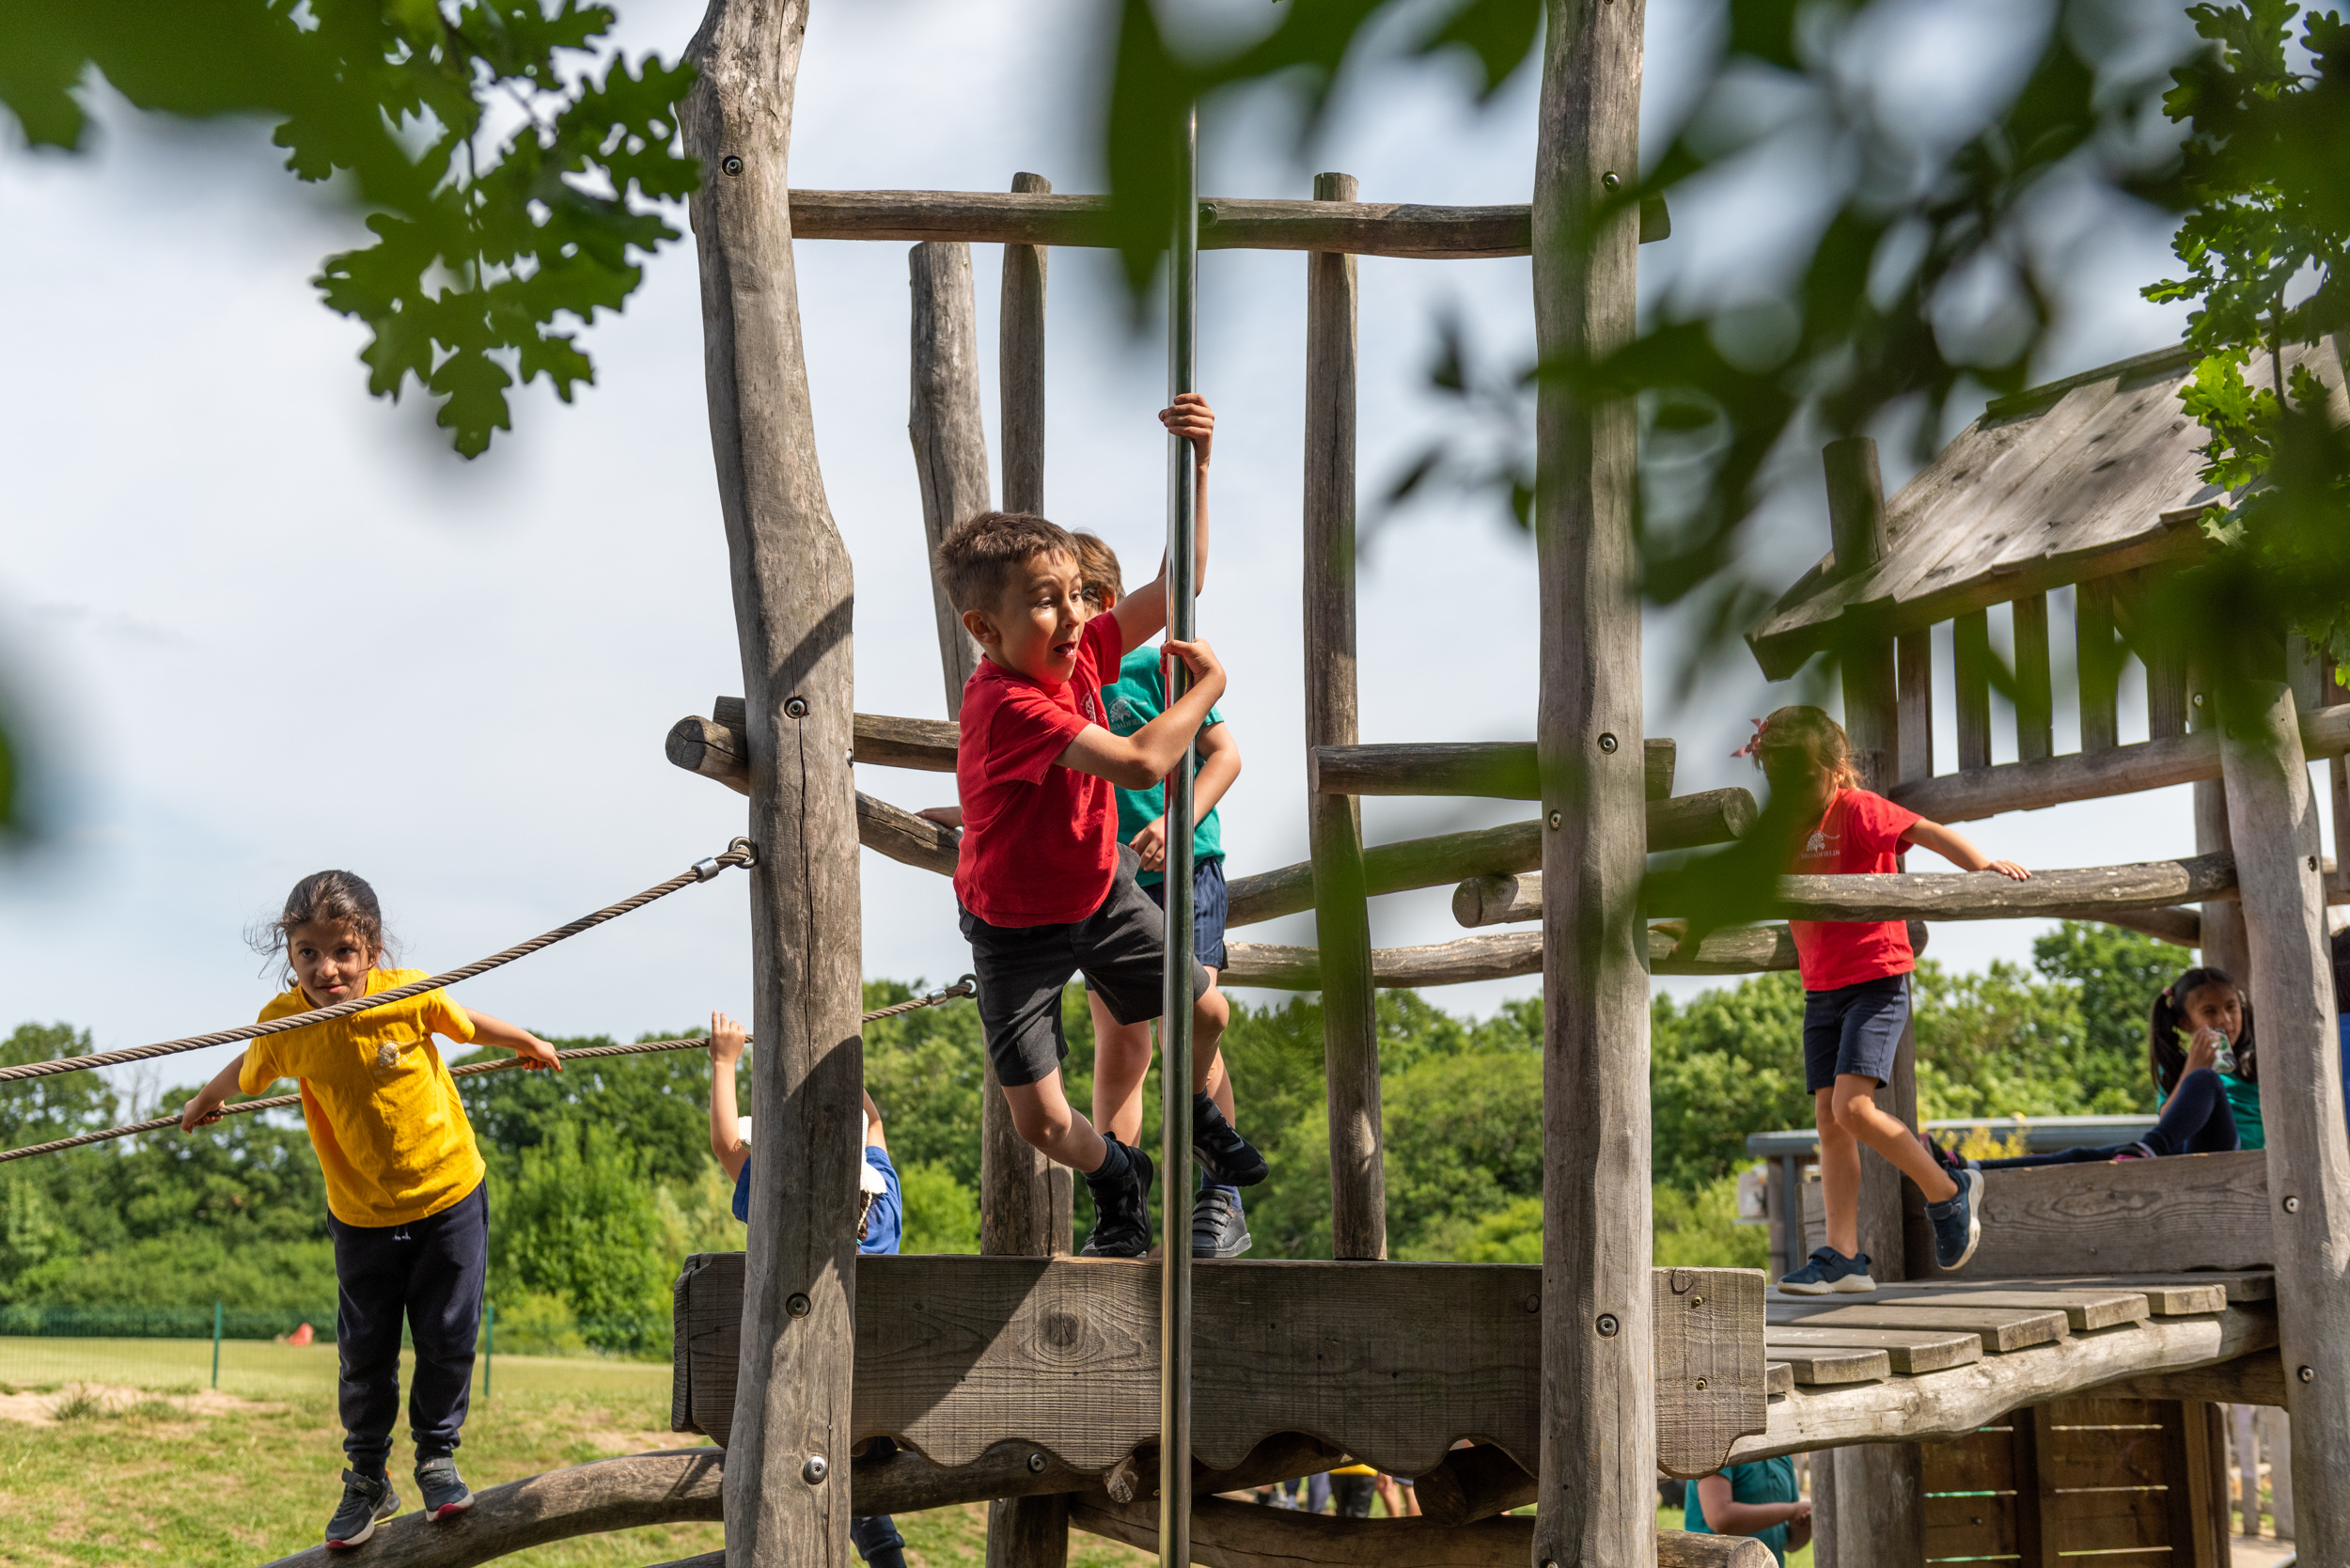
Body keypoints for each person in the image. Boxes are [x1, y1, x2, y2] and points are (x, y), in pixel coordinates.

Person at [930, 393, 1265, 1259]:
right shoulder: (1008, 703)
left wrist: (1195, 466)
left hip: (1099, 890)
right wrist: (1207, 689)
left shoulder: (1081, 650)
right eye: (1047, 601)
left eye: (1080, 595)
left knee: (1206, 1009)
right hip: (1012, 931)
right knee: (1041, 1123)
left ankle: (1195, 1117)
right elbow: (1143, 763)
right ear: (985, 627)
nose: (1076, 616)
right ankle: (1118, 1173)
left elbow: (1174, 587)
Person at [178, 870, 562, 1550]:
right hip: (360, 1215)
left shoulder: (409, 994)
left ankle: (437, 1458)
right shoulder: (287, 1026)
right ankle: (366, 1478)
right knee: (364, 1354)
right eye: (308, 952)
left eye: (343, 951)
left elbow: (468, 1026)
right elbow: (248, 1069)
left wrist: (526, 1042)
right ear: (290, 954)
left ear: (372, 949)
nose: (326, 968)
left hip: (448, 1195)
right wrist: (206, 1100)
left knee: (447, 1337)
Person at [1746, 707, 2030, 1294]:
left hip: (1874, 977)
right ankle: (1844, 1256)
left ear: (1834, 768)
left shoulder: (1855, 810)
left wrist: (1981, 867)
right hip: (1820, 988)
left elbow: (1924, 830)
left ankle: (1949, 1192)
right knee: (1830, 1125)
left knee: (1853, 1110)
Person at [1071, 531, 1253, 1259]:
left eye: (1076, 598)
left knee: (1191, 1023)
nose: (1060, 618)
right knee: (1120, 1045)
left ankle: (1221, 1195)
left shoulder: (1151, 668)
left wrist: (1180, 824)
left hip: (1182, 872)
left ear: (1108, 605)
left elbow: (1225, 755)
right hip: (1105, 885)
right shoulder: (1059, 693)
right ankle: (1122, 1206)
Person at [706, 1012, 908, 1568]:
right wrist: (853, 1093)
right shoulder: (884, 1204)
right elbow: (874, 1128)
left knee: (811, 1438)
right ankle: (887, 1555)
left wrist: (725, 1064)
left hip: (806, 1401)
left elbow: (727, 1144)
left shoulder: (788, 1209)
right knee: (850, 1443)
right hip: (884, 1413)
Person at [1926, 964, 2255, 1175]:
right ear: (2185, 1023)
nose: (2224, 1020)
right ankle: (1971, 1167)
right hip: (2186, 1156)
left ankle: (2143, 1151)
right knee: (2084, 1154)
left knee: (2205, 1082)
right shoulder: (2182, 1070)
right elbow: (2171, 1122)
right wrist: (2192, 1069)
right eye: (2209, 1011)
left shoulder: (2258, 1061)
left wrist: (2202, 1075)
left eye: (2231, 1008)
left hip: (2239, 1159)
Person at [1684, 1458, 1811, 1565]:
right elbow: (1719, 1517)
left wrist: (1803, 1525)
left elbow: (1789, 1542)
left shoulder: (1783, 1455)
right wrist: (1791, 1511)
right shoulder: (1716, 1448)